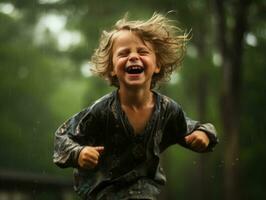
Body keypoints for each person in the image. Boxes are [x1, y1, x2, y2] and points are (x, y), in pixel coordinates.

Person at [53, 12, 218, 200]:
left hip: (144, 191)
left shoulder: (168, 111)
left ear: (157, 65)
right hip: (103, 191)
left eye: (142, 52)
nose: (133, 57)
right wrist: (79, 152)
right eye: (123, 53)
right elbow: (62, 137)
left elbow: (192, 128)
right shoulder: (101, 111)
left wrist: (203, 134)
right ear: (113, 69)